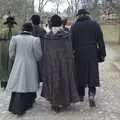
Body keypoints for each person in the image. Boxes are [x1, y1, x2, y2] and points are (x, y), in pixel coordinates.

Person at [41, 15, 79, 112]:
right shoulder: (66, 35)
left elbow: (45, 52)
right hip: (64, 62)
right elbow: (69, 51)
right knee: (64, 80)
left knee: (53, 80)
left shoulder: (47, 37)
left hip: (50, 63)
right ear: (60, 23)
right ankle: (64, 101)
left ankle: (54, 102)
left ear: (51, 23)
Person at [71, 9, 106, 107]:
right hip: (92, 53)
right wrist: (102, 54)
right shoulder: (95, 24)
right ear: (87, 15)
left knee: (79, 74)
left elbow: (71, 42)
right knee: (92, 74)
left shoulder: (74, 27)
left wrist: (71, 54)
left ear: (79, 16)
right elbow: (100, 41)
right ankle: (91, 95)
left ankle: (81, 95)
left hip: (78, 54)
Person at [6, 23, 42, 115]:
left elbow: (11, 54)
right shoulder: (35, 40)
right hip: (31, 65)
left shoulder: (15, 38)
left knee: (19, 83)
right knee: (29, 83)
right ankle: (28, 102)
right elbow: (38, 56)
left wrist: (17, 59)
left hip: (18, 63)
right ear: (31, 30)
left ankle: (15, 105)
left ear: (22, 29)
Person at [31, 14, 46, 83]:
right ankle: (40, 79)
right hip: (41, 50)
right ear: (39, 21)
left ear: (32, 21)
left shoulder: (30, 30)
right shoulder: (42, 30)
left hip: (31, 52)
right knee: (40, 66)